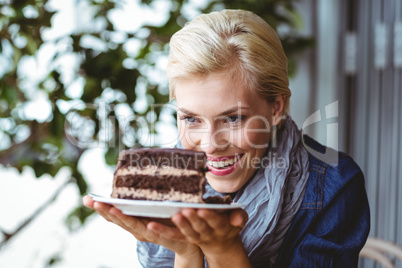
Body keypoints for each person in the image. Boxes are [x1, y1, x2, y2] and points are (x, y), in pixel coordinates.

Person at [83, 9, 370, 267]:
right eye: (191, 119)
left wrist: (224, 250)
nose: (210, 145)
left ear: (276, 108)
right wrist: (186, 252)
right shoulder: (163, 187)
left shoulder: (334, 186)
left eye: (233, 118)